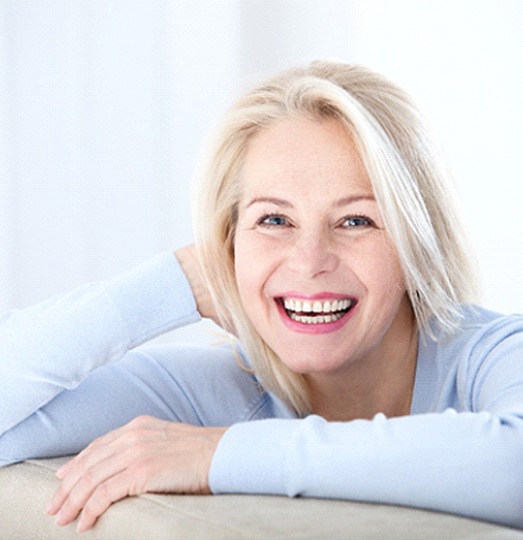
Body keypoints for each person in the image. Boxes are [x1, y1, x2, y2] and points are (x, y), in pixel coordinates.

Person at [2, 59, 523, 534]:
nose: (309, 259)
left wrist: (218, 455)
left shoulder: (493, 353)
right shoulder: (216, 390)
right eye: (273, 219)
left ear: (417, 245)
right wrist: (174, 281)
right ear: (229, 243)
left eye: (356, 220)